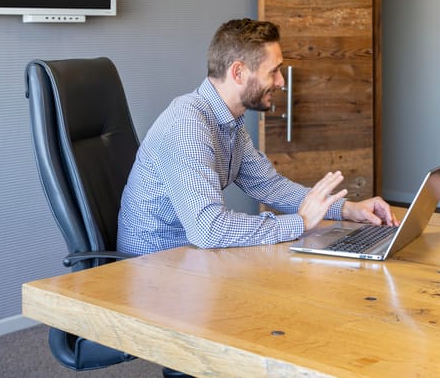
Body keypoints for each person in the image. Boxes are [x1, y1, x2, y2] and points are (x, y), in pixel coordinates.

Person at [118, 18, 396, 255]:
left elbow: (271, 187)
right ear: (238, 72)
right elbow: (209, 229)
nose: (281, 82)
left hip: (192, 257)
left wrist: (348, 210)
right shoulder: (187, 126)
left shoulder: (230, 122)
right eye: (273, 71)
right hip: (153, 269)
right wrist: (300, 222)